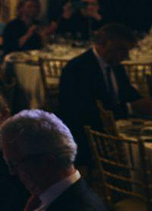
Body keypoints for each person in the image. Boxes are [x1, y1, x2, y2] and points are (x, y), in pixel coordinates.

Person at [55, 23, 152, 169]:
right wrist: (130, 108)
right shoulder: (78, 69)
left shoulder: (115, 66)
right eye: (121, 50)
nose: (126, 56)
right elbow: (85, 113)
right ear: (101, 44)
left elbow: (127, 93)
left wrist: (143, 102)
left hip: (110, 131)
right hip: (86, 139)